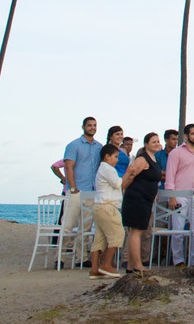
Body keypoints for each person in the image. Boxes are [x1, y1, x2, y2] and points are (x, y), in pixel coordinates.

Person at [165, 123, 194, 267]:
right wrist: (171, 196)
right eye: (193, 133)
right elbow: (170, 175)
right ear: (186, 136)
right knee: (178, 230)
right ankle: (178, 260)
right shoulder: (176, 153)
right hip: (179, 195)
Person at [62, 117, 102, 262]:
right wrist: (73, 188)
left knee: (85, 228)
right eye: (89, 125)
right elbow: (68, 167)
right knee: (68, 226)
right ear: (83, 127)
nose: (92, 128)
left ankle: (82, 258)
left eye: (94, 125)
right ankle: (60, 257)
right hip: (76, 192)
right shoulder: (73, 145)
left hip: (91, 192)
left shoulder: (99, 147)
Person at [121, 132, 163, 274]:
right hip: (136, 198)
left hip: (146, 200)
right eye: (153, 142)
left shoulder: (154, 159)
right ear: (146, 145)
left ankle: (130, 266)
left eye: (158, 141)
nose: (157, 144)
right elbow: (131, 175)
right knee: (136, 232)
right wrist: (123, 190)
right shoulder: (142, 159)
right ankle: (138, 265)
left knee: (138, 231)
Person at [89, 144, 124, 278]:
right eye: (115, 157)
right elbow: (117, 183)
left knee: (100, 237)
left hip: (99, 206)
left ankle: (94, 269)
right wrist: (128, 174)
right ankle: (106, 264)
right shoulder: (108, 169)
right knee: (118, 234)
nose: (117, 160)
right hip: (107, 206)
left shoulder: (102, 169)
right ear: (107, 157)